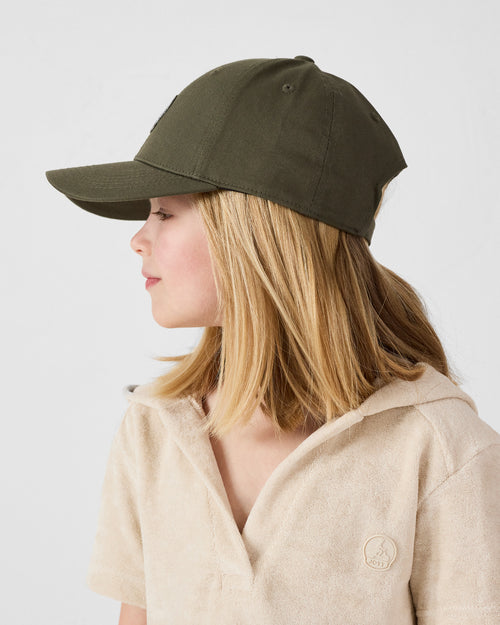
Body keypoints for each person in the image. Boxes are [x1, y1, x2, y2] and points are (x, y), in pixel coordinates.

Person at [45, 55, 500, 625]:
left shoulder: (438, 448)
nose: (138, 239)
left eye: (164, 213)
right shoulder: (156, 428)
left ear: (254, 232)